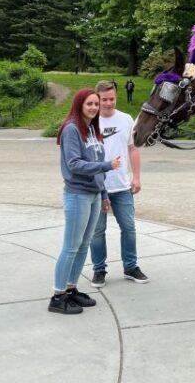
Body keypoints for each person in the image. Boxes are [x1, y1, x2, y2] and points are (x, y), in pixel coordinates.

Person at [50, 89, 121, 315]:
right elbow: (74, 164)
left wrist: (104, 194)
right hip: (77, 194)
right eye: (89, 104)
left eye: (96, 104)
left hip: (93, 194)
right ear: (79, 104)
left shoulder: (91, 129)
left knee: (83, 245)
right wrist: (107, 165)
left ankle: (71, 289)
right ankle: (57, 296)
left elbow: (96, 164)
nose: (93, 108)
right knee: (71, 247)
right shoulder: (71, 128)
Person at [90, 80, 149, 287]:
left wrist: (137, 177)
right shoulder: (90, 121)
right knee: (97, 231)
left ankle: (131, 266)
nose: (108, 103)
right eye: (104, 99)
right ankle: (99, 270)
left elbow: (133, 149)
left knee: (129, 227)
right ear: (97, 99)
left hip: (122, 186)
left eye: (112, 99)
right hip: (97, 188)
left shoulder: (126, 119)